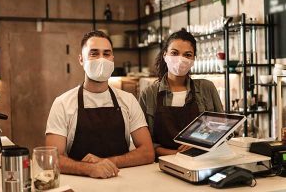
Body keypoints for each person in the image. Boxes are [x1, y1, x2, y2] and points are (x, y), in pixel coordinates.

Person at [45, 30, 154, 179]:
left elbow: (148, 152)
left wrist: (106, 162)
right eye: (94, 53)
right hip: (81, 183)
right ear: (81, 60)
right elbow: (52, 159)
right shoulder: (62, 104)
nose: (101, 59)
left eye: (106, 53)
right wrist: (88, 169)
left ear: (113, 59)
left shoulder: (128, 100)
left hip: (122, 182)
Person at [139, 28, 223, 157]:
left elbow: (222, 131)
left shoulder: (207, 88)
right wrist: (175, 154)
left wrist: (199, 143)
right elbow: (143, 142)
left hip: (201, 160)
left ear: (194, 59)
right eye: (174, 53)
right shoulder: (148, 94)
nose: (180, 59)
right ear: (165, 55)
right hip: (162, 164)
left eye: (187, 55)